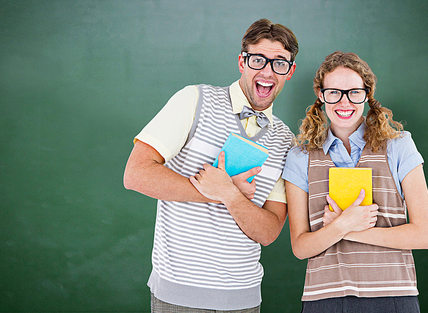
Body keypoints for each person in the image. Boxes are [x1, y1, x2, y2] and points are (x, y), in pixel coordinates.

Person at [123, 18, 299, 312]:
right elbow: (136, 174)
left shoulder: (285, 141)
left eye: (279, 63)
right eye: (258, 60)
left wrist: (229, 195)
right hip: (178, 297)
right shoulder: (195, 100)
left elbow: (268, 232)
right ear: (241, 62)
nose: (267, 72)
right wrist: (214, 190)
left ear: (290, 72)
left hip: (244, 299)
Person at [282, 51, 428, 312]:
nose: (344, 102)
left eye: (354, 92)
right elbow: (300, 247)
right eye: (334, 92)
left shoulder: (399, 146)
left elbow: (424, 235)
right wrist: (342, 225)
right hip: (324, 299)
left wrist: (347, 228)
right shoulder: (300, 158)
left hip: (394, 297)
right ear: (321, 95)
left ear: (367, 94)